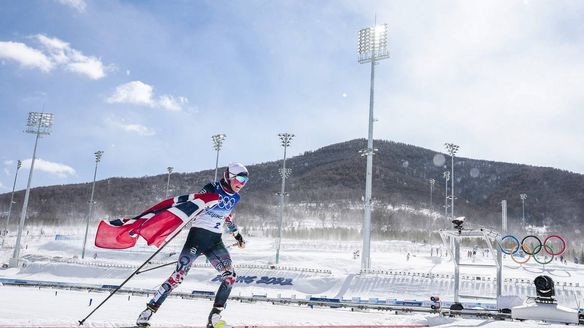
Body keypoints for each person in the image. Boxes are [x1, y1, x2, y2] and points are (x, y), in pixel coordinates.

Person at [136, 163, 249, 328]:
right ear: (229, 176)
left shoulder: (235, 197)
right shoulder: (212, 188)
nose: (242, 183)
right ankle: (147, 313)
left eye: (245, 180)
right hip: (197, 237)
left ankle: (214, 319)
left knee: (230, 277)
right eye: (239, 178)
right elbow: (194, 204)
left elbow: (227, 216)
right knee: (178, 277)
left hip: (215, 241)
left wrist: (237, 234)